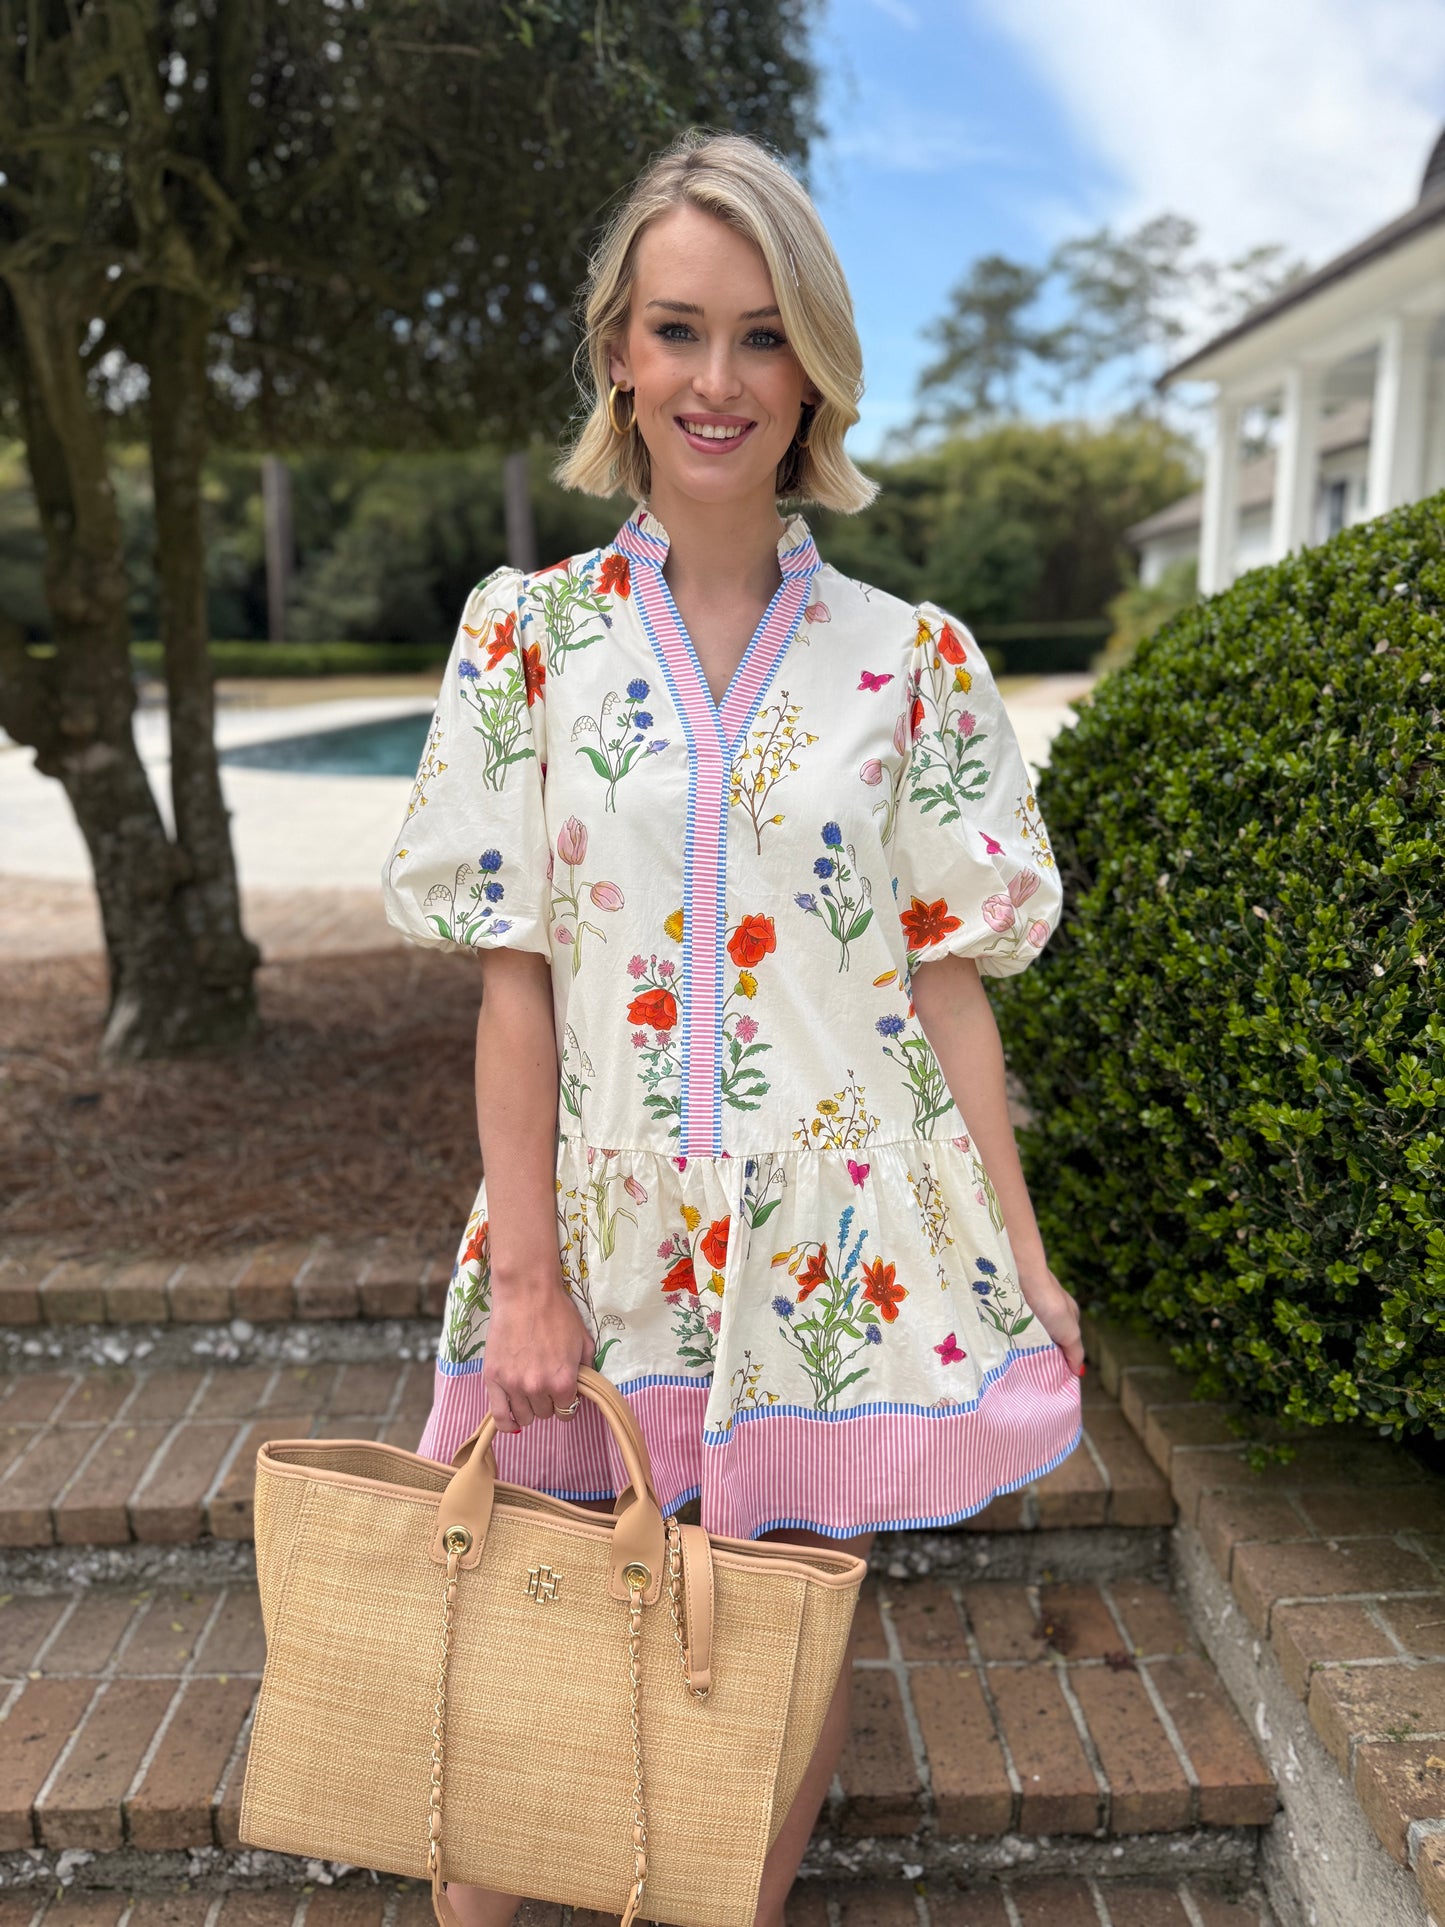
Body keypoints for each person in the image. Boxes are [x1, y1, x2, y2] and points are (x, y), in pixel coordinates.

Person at [381, 125, 1085, 1927]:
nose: (717, 380)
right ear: (619, 347)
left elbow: (943, 988)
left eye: (761, 336)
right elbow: (513, 974)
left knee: (751, 1683)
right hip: (593, 1248)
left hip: (826, 1255)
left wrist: (1015, 1245)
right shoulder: (523, 642)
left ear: (812, 368)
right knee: (505, 1765)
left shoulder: (909, 660)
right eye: (679, 329)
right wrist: (526, 1270)